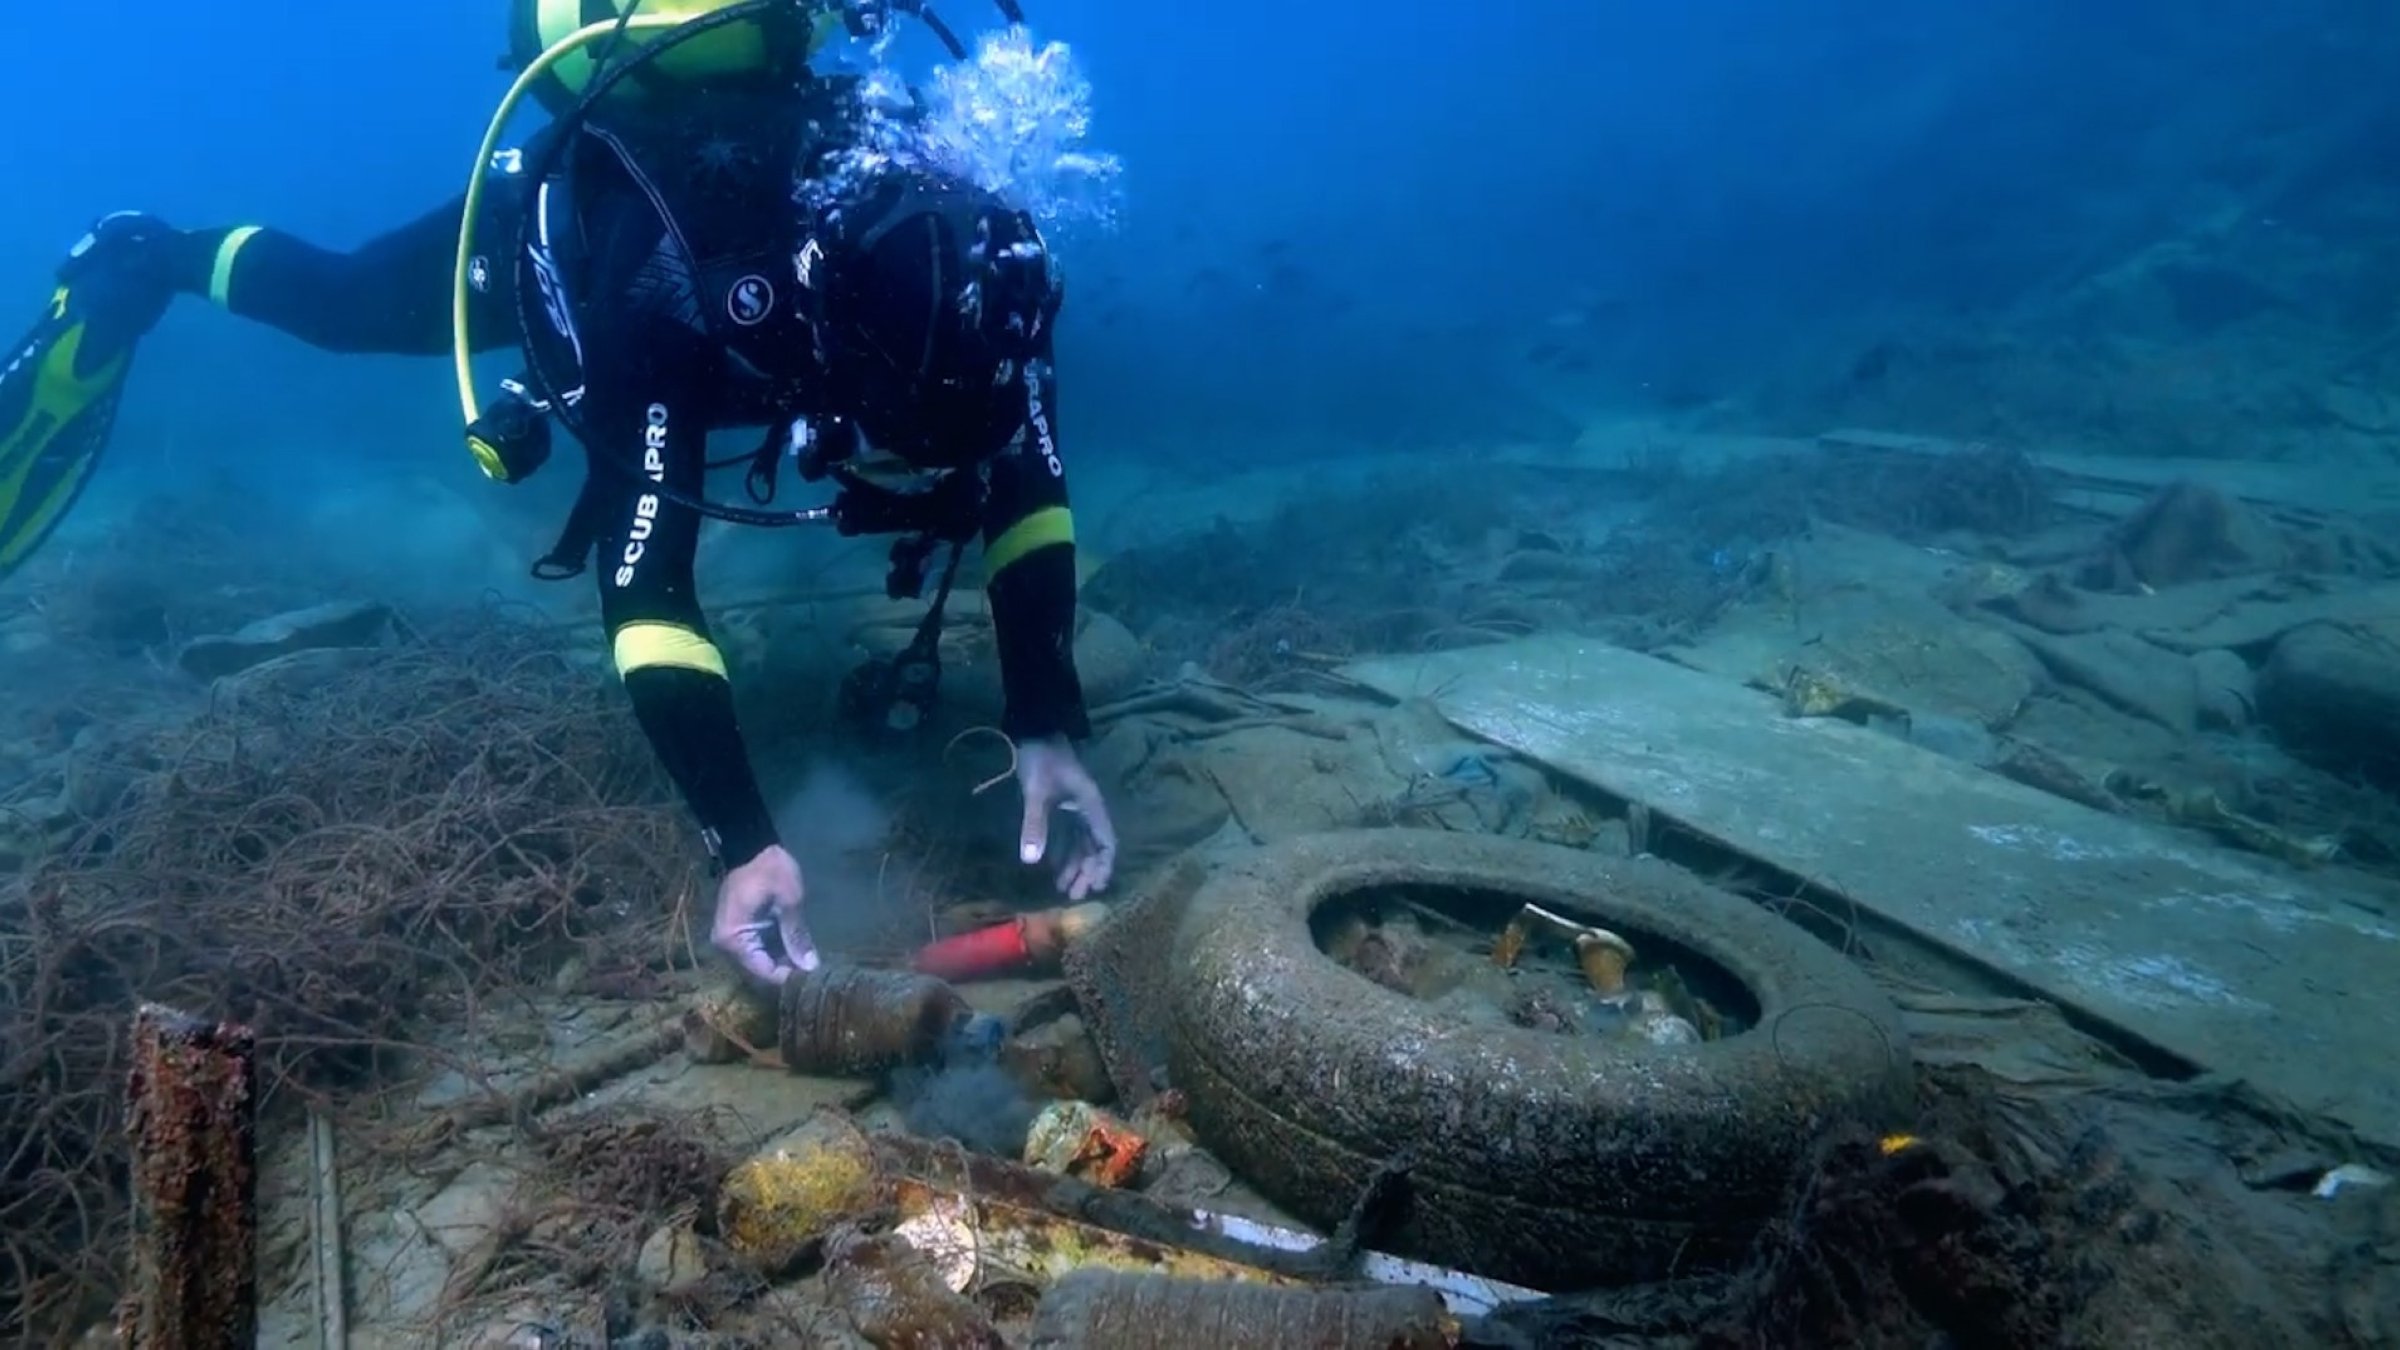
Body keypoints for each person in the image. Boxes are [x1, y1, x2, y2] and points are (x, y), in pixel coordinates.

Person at [0, 0, 1116, 985]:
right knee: (344, 302)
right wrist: (744, 841)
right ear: (833, 359)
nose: (912, 478)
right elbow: (647, 588)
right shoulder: (674, 298)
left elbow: (1029, 488)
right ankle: (151, 256)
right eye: (899, 446)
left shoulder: (984, 283)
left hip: (783, 255)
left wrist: (1046, 719)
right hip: (590, 235)